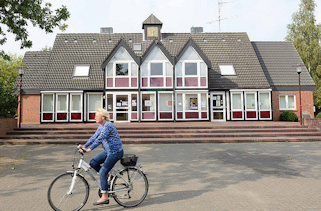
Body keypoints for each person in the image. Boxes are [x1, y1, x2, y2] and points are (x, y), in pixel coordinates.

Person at [79, 108, 124, 206]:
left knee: (102, 171)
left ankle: (105, 197)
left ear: (103, 117)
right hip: (108, 151)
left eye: (96, 116)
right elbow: (94, 137)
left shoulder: (108, 125)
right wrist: (85, 146)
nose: (94, 118)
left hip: (115, 152)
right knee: (93, 162)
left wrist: (90, 149)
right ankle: (107, 177)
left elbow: (100, 138)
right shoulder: (101, 126)